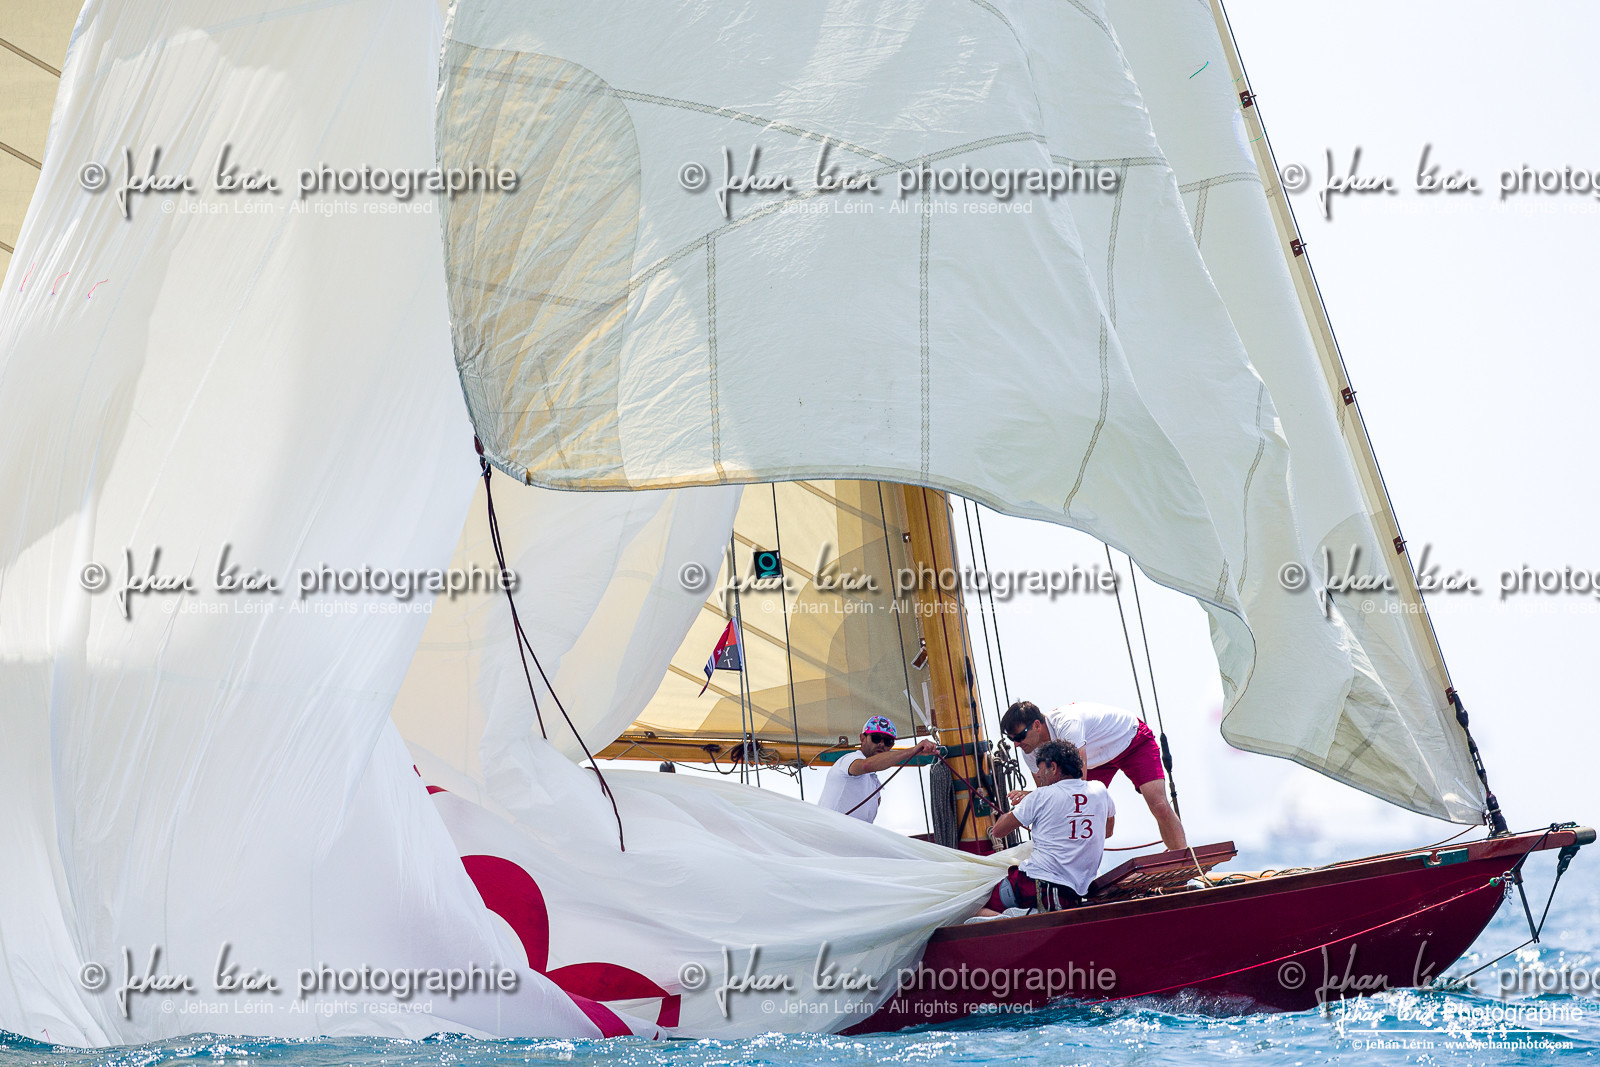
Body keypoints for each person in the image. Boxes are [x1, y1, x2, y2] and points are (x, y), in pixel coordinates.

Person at [999, 700, 1186, 850]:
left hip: (1130, 740)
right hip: (1094, 759)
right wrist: (1033, 796)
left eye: (1019, 736)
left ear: (1037, 725)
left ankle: (1186, 870)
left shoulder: (1067, 724)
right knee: (1077, 820)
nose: (1016, 744)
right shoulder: (1029, 749)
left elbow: (1077, 781)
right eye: (1011, 739)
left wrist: (1034, 796)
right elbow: (1047, 793)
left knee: (1159, 806)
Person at [985, 740, 1114, 909]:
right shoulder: (1100, 789)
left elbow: (998, 831)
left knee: (980, 905)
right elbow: (1108, 831)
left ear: (1053, 768)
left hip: (1037, 885)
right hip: (1075, 891)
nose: (1038, 774)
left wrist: (1019, 807)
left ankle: (1016, 923)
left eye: (1040, 768)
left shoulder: (1040, 795)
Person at [817, 716, 939, 823]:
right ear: (862, 738)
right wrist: (913, 751)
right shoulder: (849, 760)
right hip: (828, 838)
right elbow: (866, 765)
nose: (881, 744)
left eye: (887, 741)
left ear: (892, 746)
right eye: (875, 738)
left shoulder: (874, 784)